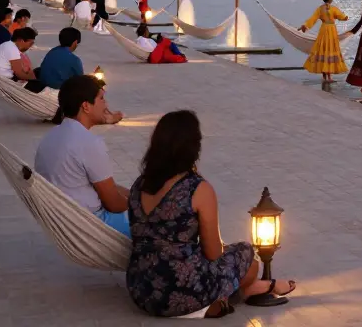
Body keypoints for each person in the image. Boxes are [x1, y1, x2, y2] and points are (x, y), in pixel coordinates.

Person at [126, 110, 296, 317]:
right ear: (193, 147)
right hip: (181, 291)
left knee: (197, 257)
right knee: (248, 257)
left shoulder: (139, 185)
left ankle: (228, 298)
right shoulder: (196, 188)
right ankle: (251, 290)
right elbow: (214, 253)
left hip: (141, 290)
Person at [34, 75, 129, 236]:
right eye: (101, 99)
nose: (106, 104)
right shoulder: (88, 143)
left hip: (65, 220)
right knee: (164, 219)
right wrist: (142, 206)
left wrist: (136, 195)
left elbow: (102, 186)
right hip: (92, 225)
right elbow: (114, 204)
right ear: (86, 106)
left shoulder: (51, 136)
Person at [298, 0, 349, 85]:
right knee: (329, 50)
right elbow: (341, 16)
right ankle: (328, 77)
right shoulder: (333, 8)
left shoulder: (320, 9)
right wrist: (345, 17)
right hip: (330, 30)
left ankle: (326, 77)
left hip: (324, 30)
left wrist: (305, 25)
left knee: (324, 50)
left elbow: (313, 19)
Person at [0, 26, 48, 93]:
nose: (30, 46)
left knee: (39, 71)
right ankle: (27, 95)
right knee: (43, 80)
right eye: (31, 43)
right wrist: (35, 79)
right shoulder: (12, 49)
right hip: (4, 82)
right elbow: (20, 74)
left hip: (1, 77)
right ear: (21, 41)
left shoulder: (8, 45)